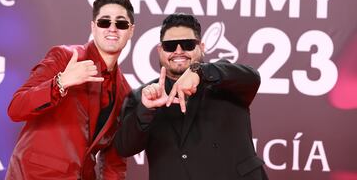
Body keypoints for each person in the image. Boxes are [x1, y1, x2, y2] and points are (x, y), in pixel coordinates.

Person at [115, 13, 269, 180]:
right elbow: (125, 148)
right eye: (170, 46)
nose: (179, 51)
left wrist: (199, 71)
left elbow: (252, 77)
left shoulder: (225, 80)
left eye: (188, 44)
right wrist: (146, 110)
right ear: (160, 50)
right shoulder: (143, 97)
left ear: (201, 47)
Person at [5, 0, 134, 180]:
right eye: (104, 22)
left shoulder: (124, 92)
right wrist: (60, 82)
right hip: (34, 175)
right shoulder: (64, 57)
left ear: (131, 31)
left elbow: (114, 160)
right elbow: (16, 108)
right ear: (93, 27)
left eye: (121, 24)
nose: (112, 29)